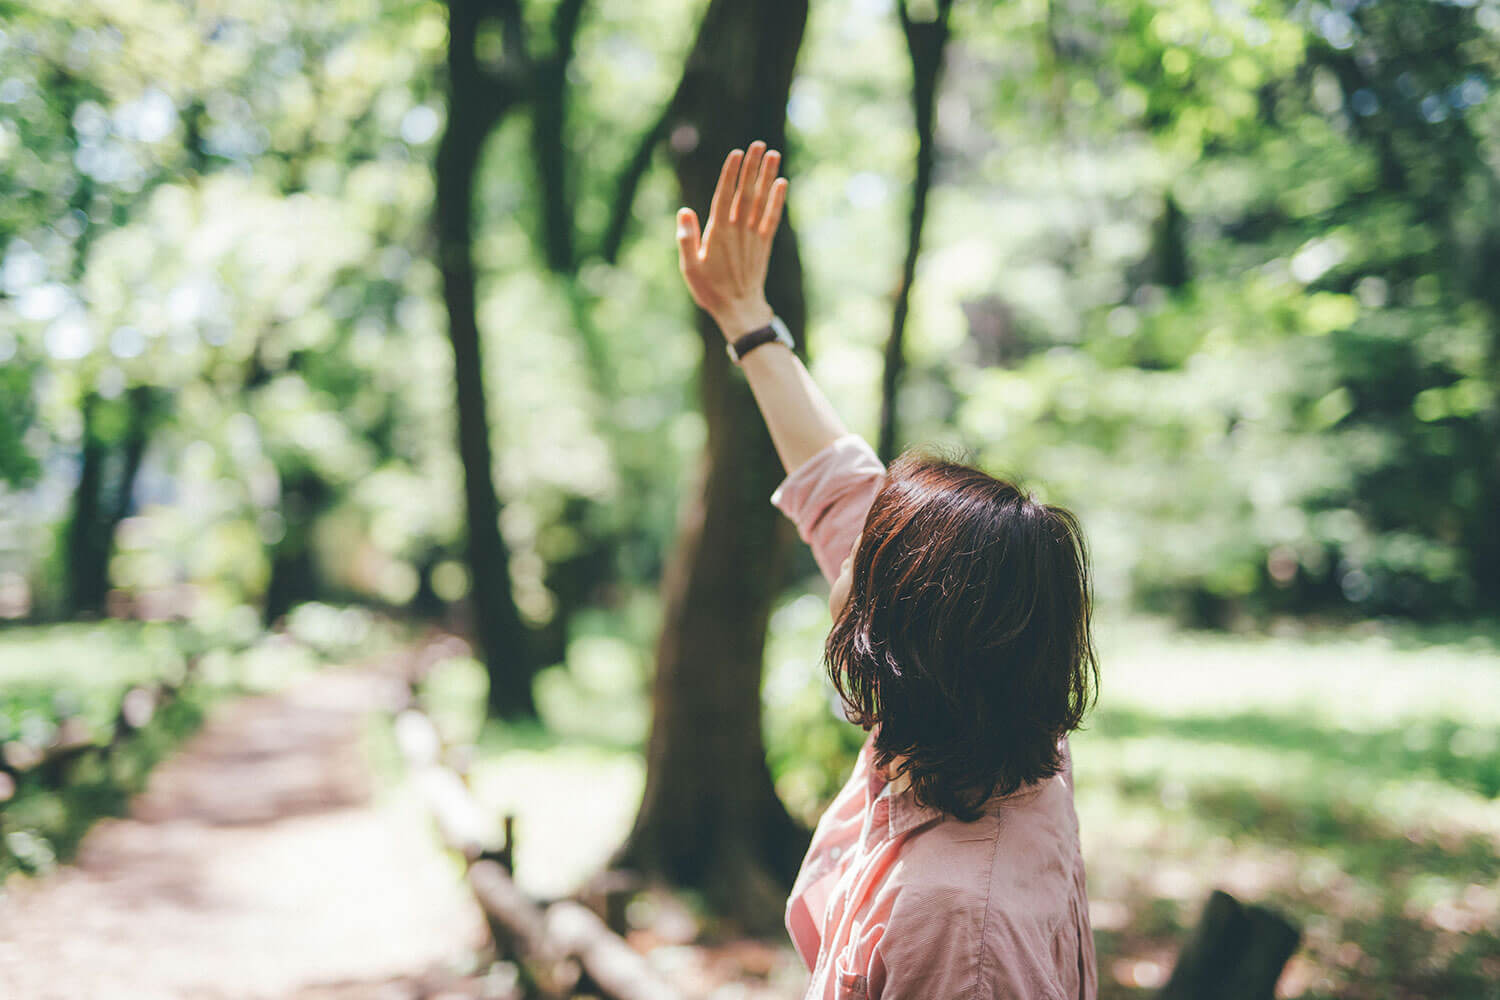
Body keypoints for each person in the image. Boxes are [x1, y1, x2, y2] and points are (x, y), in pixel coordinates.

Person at [674, 140, 1100, 1000]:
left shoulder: (953, 931)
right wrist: (746, 320)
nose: (843, 549)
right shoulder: (994, 730)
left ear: (903, 641)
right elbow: (837, 483)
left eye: (867, 563)